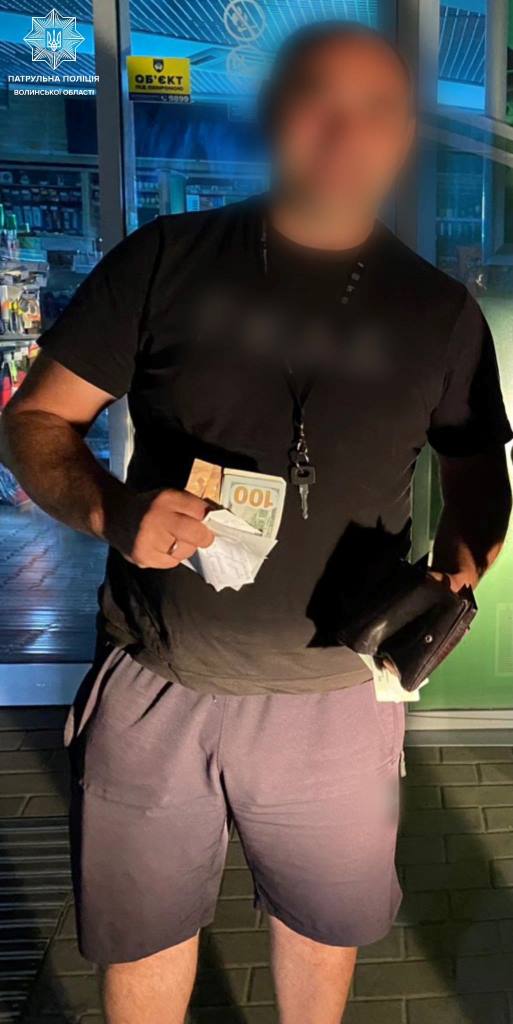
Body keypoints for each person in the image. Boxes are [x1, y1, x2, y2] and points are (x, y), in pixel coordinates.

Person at [1, 21, 511, 1024]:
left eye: (377, 110)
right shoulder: (165, 261)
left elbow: (475, 471)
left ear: (403, 138)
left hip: (337, 694)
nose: (346, 132)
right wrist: (112, 510)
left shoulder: (438, 311)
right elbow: (34, 421)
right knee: (143, 937)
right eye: (320, 100)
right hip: (157, 677)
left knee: (320, 932)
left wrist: (460, 567)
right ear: (275, 115)